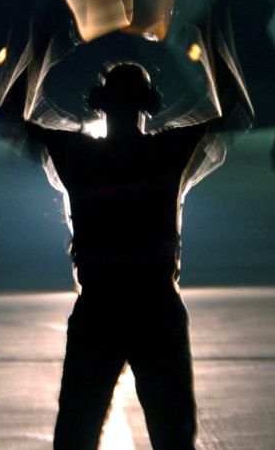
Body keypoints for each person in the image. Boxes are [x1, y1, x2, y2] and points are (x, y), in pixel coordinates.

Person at [27, 62, 212, 450]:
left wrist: (32, 55)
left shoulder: (76, 155)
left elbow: (22, 118)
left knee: (77, 430)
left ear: (101, 105)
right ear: (147, 106)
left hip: (99, 309)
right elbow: (222, 111)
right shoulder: (167, 152)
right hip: (156, 307)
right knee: (173, 435)